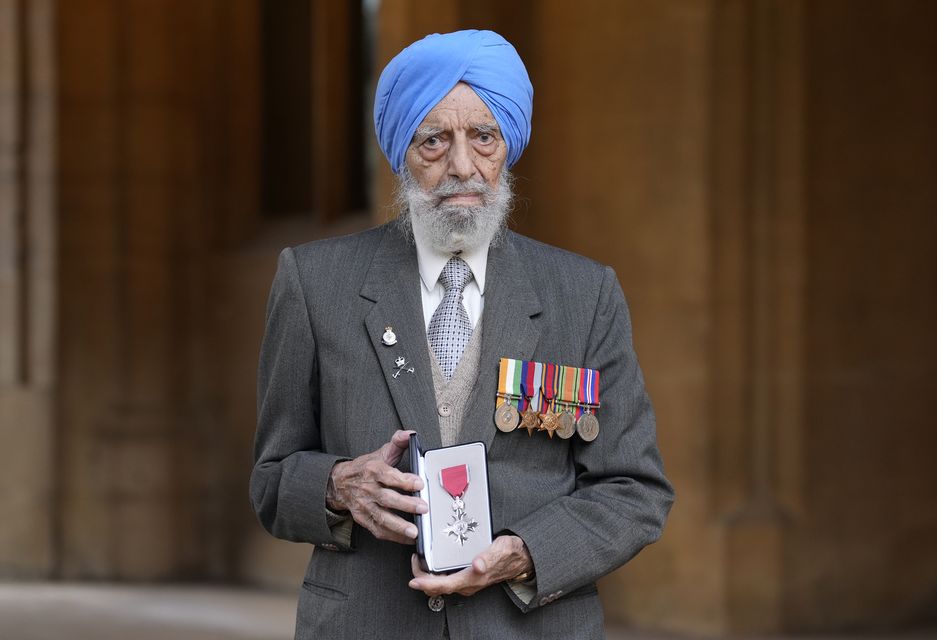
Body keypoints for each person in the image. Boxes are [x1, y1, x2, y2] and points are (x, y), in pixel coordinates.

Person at [251, 29, 673, 640]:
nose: (462, 167)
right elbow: (270, 479)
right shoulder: (315, 283)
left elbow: (635, 489)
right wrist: (339, 486)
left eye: (483, 137)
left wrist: (526, 553)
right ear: (401, 151)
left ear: (508, 145)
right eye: (433, 141)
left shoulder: (583, 294)